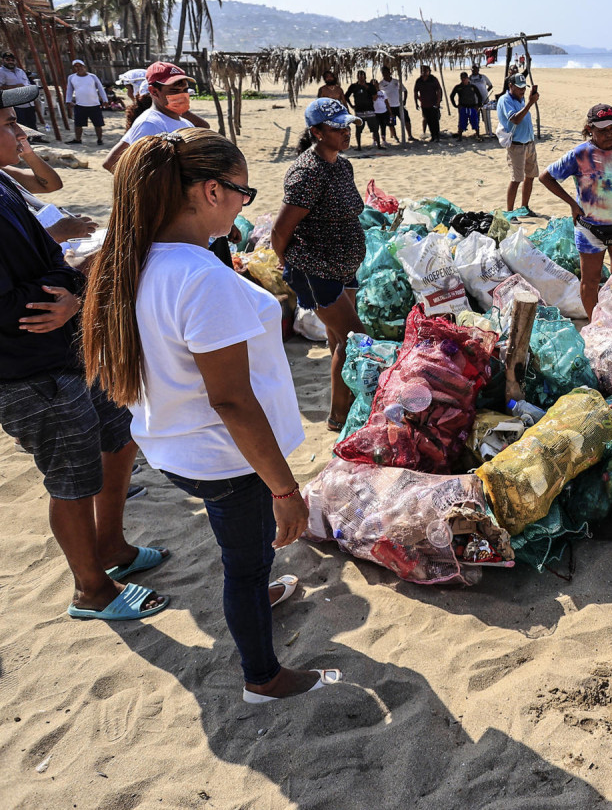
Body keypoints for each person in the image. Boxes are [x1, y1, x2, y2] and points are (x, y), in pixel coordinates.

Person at [81, 127, 340, 702]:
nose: (246, 204)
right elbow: (231, 400)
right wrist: (284, 488)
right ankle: (263, 679)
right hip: (223, 456)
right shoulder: (198, 277)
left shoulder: (134, 258)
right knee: (244, 564)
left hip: (171, 443)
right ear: (207, 191)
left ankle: (258, 596)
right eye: (243, 192)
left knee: (243, 557)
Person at [0, 85, 169, 623]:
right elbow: (15, 304)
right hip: (29, 370)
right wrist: (63, 288)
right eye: (8, 124)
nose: (20, 133)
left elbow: (51, 255)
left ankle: (113, 549)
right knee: (71, 476)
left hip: (67, 347)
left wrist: (70, 288)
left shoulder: (4, 182)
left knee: (119, 436)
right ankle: (90, 590)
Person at [270, 99, 368, 431]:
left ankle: (345, 407)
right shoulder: (306, 172)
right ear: (317, 132)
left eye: (347, 126)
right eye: (337, 127)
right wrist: (293, 265)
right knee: (356, 338)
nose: (346, 133)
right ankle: (339, 416)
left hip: (342, 267)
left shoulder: (342, 166)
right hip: (316, 269)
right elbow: (280, 231)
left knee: (338, 339)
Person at [539, 104, 612, 316]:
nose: (609, 134)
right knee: (590, 281)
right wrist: (572, 204)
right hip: (590, 230)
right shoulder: (580, 154)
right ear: (590, 128)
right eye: (602, 130)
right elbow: (546, 177)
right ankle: (595, 322)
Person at [102, 62, 209, 172]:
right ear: (154, 91)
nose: (182, 95)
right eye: (174, 91)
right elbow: (112, 164)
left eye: (185, 90)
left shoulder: (186, 123)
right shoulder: (150, 124)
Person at [497, 74, 542, 217]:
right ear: (510, 86)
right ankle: (510, 212)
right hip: (516, 146)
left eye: (524, 87)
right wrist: (530, 103)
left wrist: (527, 101)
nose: (522, 90)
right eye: (519, 87)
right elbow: (515, 119)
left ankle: (525, 208)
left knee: (530, 176)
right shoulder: (505, 100)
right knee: (516, 179)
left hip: (529, 143)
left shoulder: (521, 99)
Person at [64, 59, 109, 146]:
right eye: (76, 66)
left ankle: (99, 139)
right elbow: (69, 90)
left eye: (80, 66)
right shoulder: (71, 77)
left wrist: (105, 100)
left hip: (94, 104)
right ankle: (78, 139)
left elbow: (100, 88)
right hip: (80, 104)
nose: (79, 68)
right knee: (78, 124)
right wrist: (68, 101)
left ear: (84, 67)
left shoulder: (92, 77)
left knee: (98, 124)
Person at [343, 70, 381, 150]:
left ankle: (379, 145)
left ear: (365, 77)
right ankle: (359, 146)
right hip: (359, 111)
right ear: (357, 77)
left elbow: (375, 97)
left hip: (370, 110)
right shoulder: (353, 86)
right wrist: (351, 105)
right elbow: (346, 97)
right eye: (359, 76)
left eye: (362, 76)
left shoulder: (370, 86)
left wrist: (367, 88)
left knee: (375, 129)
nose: (361, 78)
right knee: (359, 130)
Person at [0, 52, 38, 130]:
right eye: (7, 60)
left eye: (12, 60)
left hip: (28, 102)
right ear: (3, 60)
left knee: (32, 122)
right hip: (15, 104)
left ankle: (36, 138)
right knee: (20, 124)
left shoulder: (20, 71)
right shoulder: (1, 72)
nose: (10, 61)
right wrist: (16, 86)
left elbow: (27, 84)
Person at [413, 65, 443, 142]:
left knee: (435, 120)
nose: (424, 72)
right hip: (424, 104)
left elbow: (439, 90)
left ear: (429, 71)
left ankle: (437, 136)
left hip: (433, 103)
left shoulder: (433, 79)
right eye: (422, 71)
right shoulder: (419, 80)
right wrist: (416, 102)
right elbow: (415, 92)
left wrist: (438, 102)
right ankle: (433, 136)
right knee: (428, 120)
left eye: (426, 71)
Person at [379, 66, 408, 144]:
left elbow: (405, 91)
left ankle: (410, 135)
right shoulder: (381, 84)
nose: (385, 74)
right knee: (391, 123)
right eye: (383, 73)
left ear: (390, 72)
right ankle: (395, 137)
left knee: (406, 120)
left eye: (386, 72)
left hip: (399, 106)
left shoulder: (396, 82)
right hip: (389, 107)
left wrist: (404, 101)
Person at [450, 72, 482, 138]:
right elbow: (452, 96)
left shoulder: (472, 87)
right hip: (463, 107)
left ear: (467, 78)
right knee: (462, 122)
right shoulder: (458, 87)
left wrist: (478, 105)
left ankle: (478, 135)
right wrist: (455, 105)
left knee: (475, 122)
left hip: (472, 107)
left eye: (465, 78)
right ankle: (460, 136)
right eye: (462, 78)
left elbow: (479, 96)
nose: (463, 80)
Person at [470, 64, 494, 137]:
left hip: (485, 100)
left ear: (478, 69)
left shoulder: (483, 77)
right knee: (476, 117)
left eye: (476, 69)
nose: (474, 70)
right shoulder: (469, 78)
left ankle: (489, 131)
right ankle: (477, 133)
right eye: (473, 69)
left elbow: (490, 85)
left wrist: (486, 91)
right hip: (475, 102)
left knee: (486, 117)